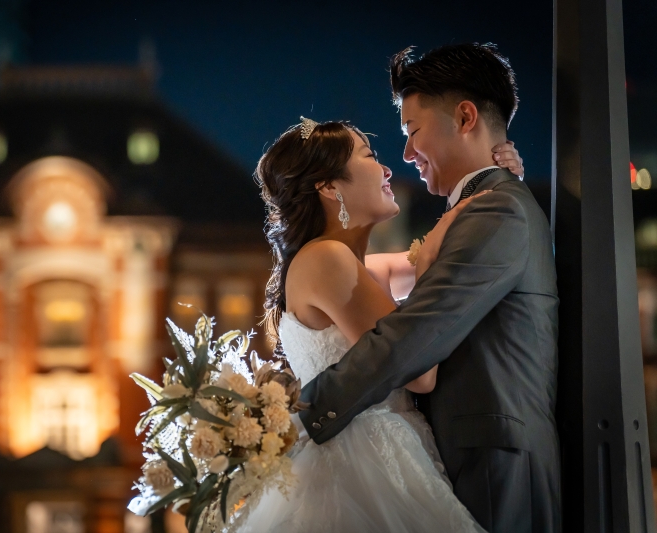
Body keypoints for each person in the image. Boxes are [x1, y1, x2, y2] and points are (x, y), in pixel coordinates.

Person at [298, 44, 560, 533]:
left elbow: (416, 335)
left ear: (464, 117)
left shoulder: (496, 209)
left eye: (411, 132)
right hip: (455, 460)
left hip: (492, 464)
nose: (404, 156)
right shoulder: (485, 205)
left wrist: (301, 412)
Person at [235, 114, 524, 532]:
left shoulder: (359, 267)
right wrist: (426, 267)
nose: (388, 168)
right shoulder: (326, 260)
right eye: (369, 156)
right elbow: (420, 372)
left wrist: (498, 179)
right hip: (361, 463)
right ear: (330, 187)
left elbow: (453, 256)